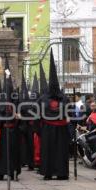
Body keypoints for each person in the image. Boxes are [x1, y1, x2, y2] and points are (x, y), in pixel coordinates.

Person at [39, 49, 70, 180]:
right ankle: (48, 172)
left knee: (61, 151)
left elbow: (67, 113)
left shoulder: (63, 98)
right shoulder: (43, 99)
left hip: (61, 129)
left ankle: (61, 172)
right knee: (48, 150)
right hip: (47, 129)